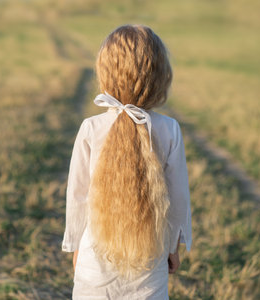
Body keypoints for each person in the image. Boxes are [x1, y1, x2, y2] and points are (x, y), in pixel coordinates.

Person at [62, 24, 192, 299]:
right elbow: (178, 199)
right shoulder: (169, 129)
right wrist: (172, 248)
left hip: (94, 265)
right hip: (149, 265)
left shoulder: (91, 127)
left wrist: (76, 249)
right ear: (160, 75)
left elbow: (77, 196)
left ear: (105, 73)